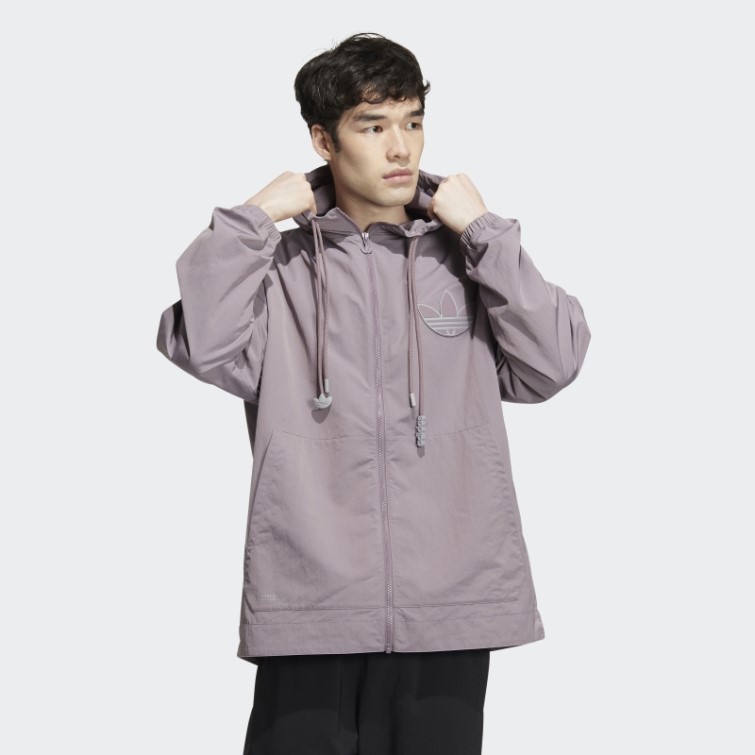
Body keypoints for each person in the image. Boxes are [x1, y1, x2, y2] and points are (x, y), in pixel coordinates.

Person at [156, 31, 591, 755]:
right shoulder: (279, 270)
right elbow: (203, 342)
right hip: (310, 601)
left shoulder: (469, 262)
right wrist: (252, 219)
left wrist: (486, 234)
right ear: (323, 139)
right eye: (373, 125)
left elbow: (553, 361)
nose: (400, 148)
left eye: (413, 122)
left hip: (451, 602)